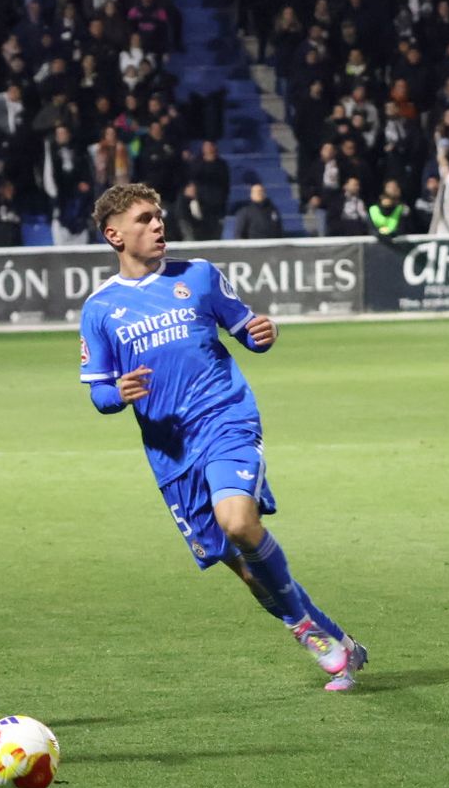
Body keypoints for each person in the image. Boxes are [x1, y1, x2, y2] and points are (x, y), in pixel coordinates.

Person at [78, 183, 365, 690]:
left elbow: (247, 329)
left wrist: (262, 333)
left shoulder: (200, 277)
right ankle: (338, 641)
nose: (158, 225)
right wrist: (118, 394)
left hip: (225, 419)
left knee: (238, 522)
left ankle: (304, 631)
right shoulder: (100, 310)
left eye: (159, 215)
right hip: (171, 453)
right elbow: (99, 393)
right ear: (114, 235)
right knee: (245, 567)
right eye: (145, 219)